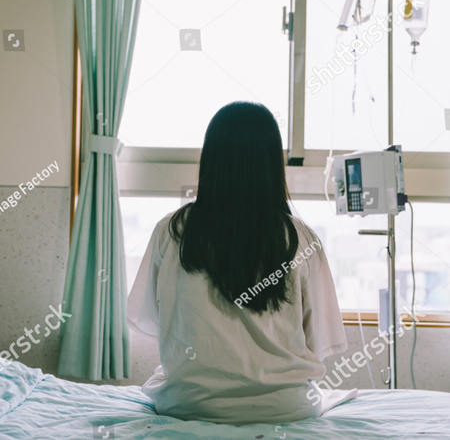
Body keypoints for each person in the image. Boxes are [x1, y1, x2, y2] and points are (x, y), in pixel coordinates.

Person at [127, 100, 356, 426]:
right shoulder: (299, 238)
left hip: (188, 404)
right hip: (286, 407)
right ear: (272, 164)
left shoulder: (173, 231)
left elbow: (150, 318)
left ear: (210, 159)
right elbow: (319, 339)